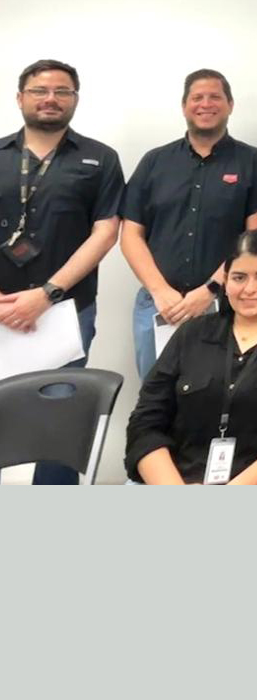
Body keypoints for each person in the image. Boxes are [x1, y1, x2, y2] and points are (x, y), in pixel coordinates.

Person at [0, 59, 124, 485]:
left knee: (59, 422)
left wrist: (47, 294)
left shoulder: (100, 159)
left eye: (62, 91)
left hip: (66, 310)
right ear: (20, 98)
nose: (50, 99)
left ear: (75, 99)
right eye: (39, 90)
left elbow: (105, 233)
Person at [124, 230, 257, 484]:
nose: (250, 289)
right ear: (226, 281)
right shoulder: (191, 334)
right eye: (239, 278)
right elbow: (146, 420)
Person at [120, 69, 257, 381]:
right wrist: (160, 291)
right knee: (156, 396)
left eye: (215, 96)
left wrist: (210, 290)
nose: (206, 104)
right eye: (197, 97)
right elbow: (131, 235)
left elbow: (255, 238)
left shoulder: (252, 161)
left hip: (225, 303)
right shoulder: (155, 162)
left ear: (230, 105)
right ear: (184, 106)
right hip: (158, 305)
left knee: (220, 395)